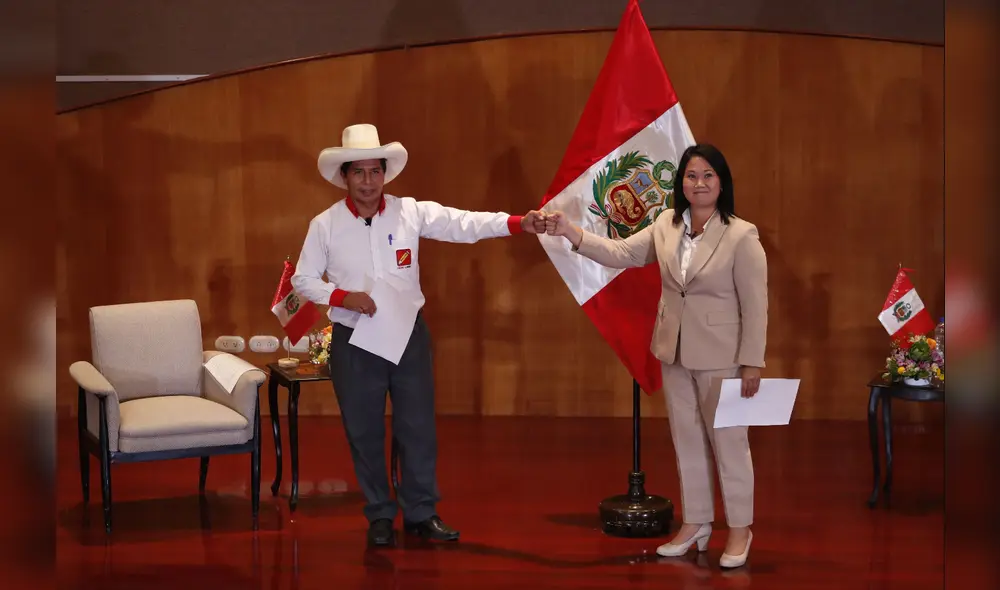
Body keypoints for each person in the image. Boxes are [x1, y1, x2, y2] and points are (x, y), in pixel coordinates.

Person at [291, 123, 546, 546]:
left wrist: (520, 223)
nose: (369, 181)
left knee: (417, 428)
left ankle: (421, 512)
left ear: (385, 175)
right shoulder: (325, 224)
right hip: (354, 341)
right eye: (360, 173)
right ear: (346, 177)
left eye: (376, 172)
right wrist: (341, 296)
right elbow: (302, 279)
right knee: (364, 431)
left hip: (408, 337)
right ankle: (378, 515)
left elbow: (464, 224)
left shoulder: (410, 211)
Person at [544, 144, 767, 569]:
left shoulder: (741, 235)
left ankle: (740, 529)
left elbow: (756, 305)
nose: (698, 184)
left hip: (722, 356)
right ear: (680, 182)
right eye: (690, 176)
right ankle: (697, 523)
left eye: (707, 176)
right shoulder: (667, 224)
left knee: (730, 444)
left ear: (722, 183)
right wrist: (572, 232)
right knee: (687, 442)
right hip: (674, 350)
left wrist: (752, 361)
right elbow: (623, 254)